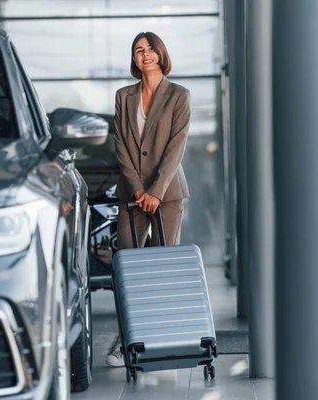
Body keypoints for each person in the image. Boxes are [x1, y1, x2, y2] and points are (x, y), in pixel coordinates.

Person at [106, 31, 191, 367]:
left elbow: (176, 146)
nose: (146, 55)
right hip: (132, 194)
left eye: (151, 49)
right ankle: (124, 341)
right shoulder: (123, 96)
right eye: (139, 50)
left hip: (167, 195)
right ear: (134, 59)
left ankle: (163, 336)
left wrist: (155, 190)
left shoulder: (179, 95)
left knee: (164, 267)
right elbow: (121, 145)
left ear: (161, 54)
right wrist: (139, 189)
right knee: (126, 267)